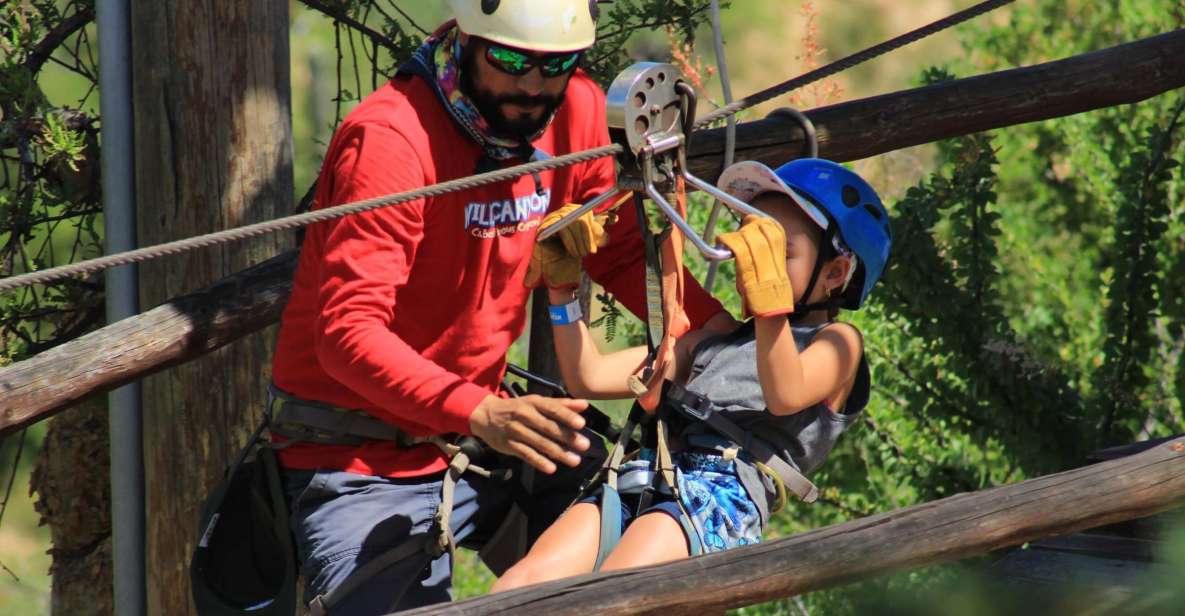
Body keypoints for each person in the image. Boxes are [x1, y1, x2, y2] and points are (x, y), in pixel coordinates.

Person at [267, 1, 736, 612]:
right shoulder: (392, 140)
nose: (533, 86)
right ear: (468, 36)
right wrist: (479, 412)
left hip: (489, 439)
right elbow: (347, 334)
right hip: (360, 460)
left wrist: (721, 334)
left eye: (557, 64)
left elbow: (619, 251)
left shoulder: (578, 112)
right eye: (512, 60)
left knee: (658, 544)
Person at [493, 158, 893, 590]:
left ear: (835, 273)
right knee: (524, 583)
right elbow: (587, 377)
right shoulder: (717, 337)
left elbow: (785, 392)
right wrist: (562, 287)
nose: (754, 267)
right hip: (644, 471)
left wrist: (770, 303)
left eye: (779, 255)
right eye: (751, 250)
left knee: (610, 593)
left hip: (722, 493)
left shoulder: (838, 343)